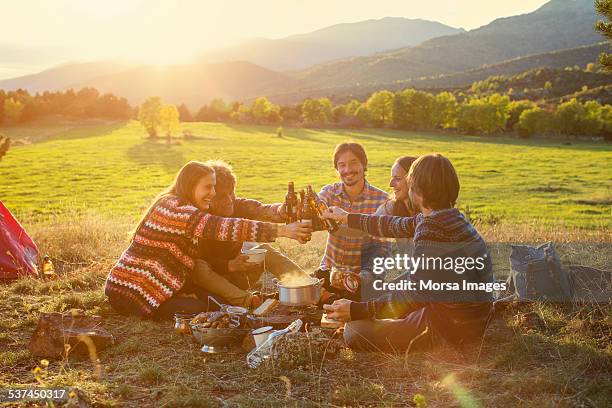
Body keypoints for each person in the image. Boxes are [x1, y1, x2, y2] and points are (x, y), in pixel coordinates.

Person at [323, 154, 494, 352]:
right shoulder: (448, 218)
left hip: (450, 328)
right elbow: (392, 225)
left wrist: (358, 310)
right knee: (382, 294)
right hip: (465, 317)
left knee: (354, 331)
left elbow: (416, 292)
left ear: (418, 189)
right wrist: (346, 217)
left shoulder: (432, 230)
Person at [104, 161, 311, 320]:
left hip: (166, 285)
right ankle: (243, 300)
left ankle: (306, 288)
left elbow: (254, 210)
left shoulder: (186, 206)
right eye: (208, 188)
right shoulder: (175, 208)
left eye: (214, 188)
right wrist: (283, 231)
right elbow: (225, 227)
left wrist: (283, 214)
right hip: (132, 291)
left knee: (215, 304)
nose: (212, 194)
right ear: (190, 185)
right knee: (204, 308)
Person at [194, 160, 311, 308]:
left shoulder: (238, 205)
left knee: (264, 250)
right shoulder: (200, 217)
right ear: (210, 195)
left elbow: (263, 210)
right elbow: (199, 262)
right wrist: (229, 265)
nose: (229, 200)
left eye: (231, 192)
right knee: (198, 266)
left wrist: (282, 210)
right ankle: (250, 302)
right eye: (222, 196)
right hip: (214, 282)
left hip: (238, 275)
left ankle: (308, 287)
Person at [315, 142, 389, 297]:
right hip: (329, 273)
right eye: (342, 165)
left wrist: (363, 278)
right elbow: (314, 208)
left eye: (353, 163)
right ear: (337, 169)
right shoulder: (330, 193)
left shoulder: (382, 200)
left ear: (364, 164)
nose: (347, 170)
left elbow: (382, 250)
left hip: (360, 279)